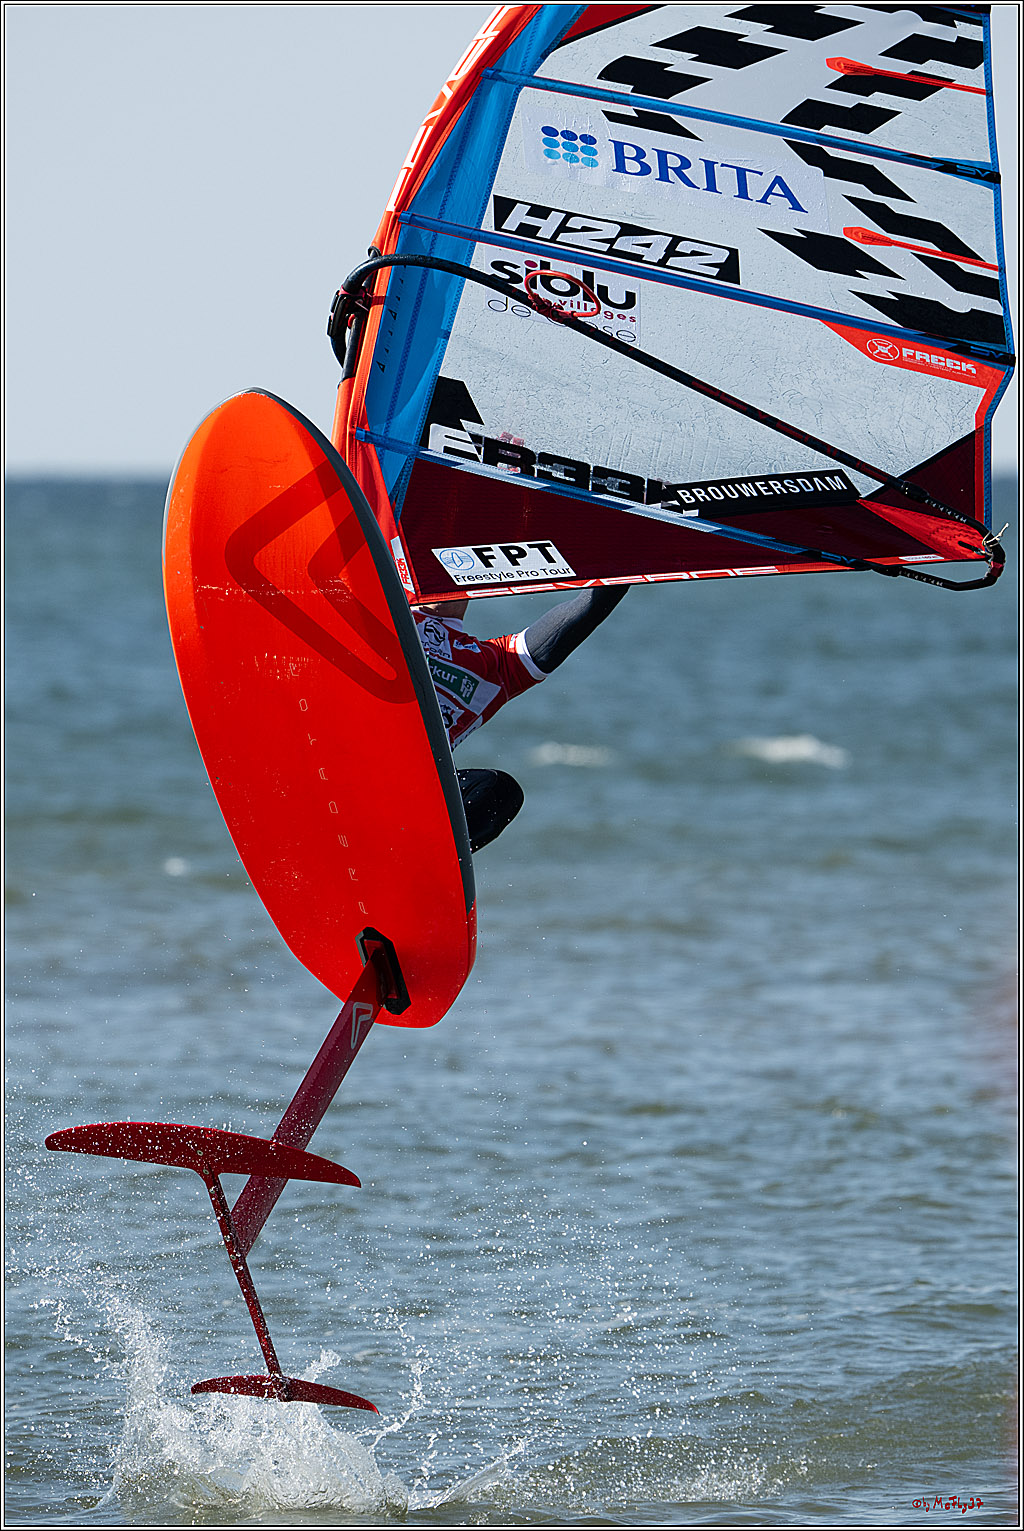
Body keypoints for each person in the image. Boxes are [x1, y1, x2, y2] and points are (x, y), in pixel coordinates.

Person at [413, 585, 628, 852]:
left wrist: (631, 554)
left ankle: (427, 858)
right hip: (353, 760)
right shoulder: (381, 620)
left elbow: (587, 609)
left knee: (500, 791)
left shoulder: (497, 664)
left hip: (414, 787)